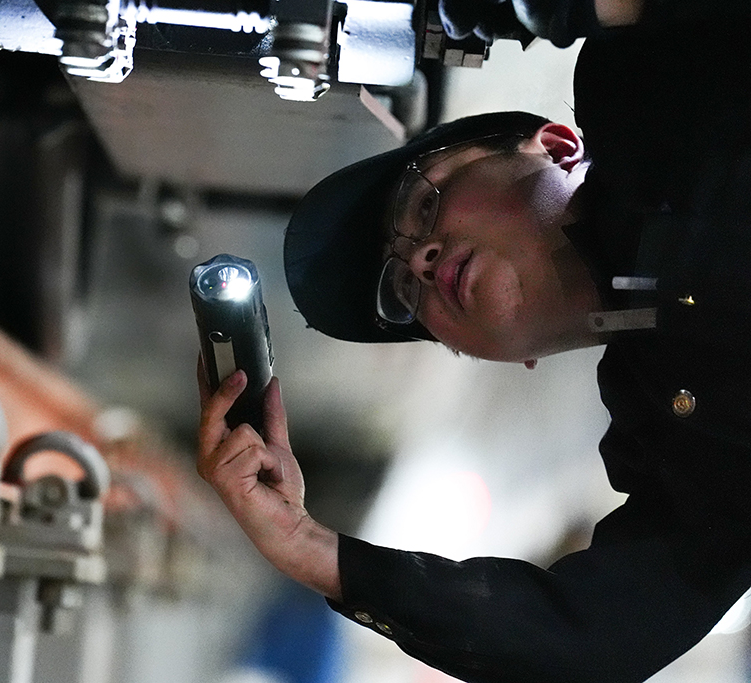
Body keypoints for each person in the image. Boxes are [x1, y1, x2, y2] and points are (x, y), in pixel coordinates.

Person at [196, 1, 751, 681]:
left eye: (426, 204)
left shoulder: (651, 88)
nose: (423, 260)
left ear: (556, 146)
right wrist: (309, 549)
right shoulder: (674, 435)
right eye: (404, 292)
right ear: (512, 355)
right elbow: (592, 635)